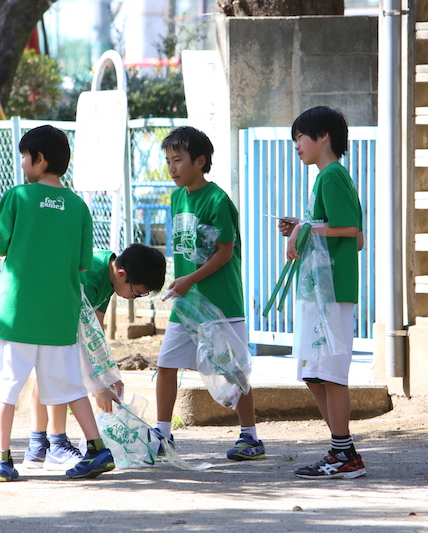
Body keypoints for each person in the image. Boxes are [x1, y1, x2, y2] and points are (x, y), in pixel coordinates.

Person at [0, 125, 114, 481]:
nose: (22, 163)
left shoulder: (17, 197)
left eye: (24, 156)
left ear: (39, 159)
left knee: (6, 389)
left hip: (17, 314)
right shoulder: (79, 207)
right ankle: (97, 449)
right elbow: (83, 264)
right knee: (71, 386)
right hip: (60, 314)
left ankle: (3, 460)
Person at [153, 126, 266, 461]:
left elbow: (225, 252)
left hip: (221, 302)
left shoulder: (217, 200)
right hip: (187, 303)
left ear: (200, 161)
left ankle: (250, 437)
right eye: (168, 161)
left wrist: (190, 279)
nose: (172, 168)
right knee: (166, 364)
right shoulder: (177, 198)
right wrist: (183, 283)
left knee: (234, 371)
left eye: (178, 160)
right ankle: (162, 435)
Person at [277, 106, 366, 480]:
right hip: (320, 291)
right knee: (314, 374)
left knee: (329, 373)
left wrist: (305, 228)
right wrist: (303, 225)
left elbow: (352, 232)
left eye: (300, 137)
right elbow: (344, 230)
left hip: (331, 292)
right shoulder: (328, 177)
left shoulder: (331, 176)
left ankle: (342, 453)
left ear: (323, 136)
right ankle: (343, 450)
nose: (297, 145)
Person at [22, 243, 167, 470]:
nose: (134, 298)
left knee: (48, 375)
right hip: (48, 318)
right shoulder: (91, 276)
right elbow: (80, 337)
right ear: (122, 274)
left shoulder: (110, 277)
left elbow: (94, 332)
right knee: (60, 374)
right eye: (136, 293)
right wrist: (98, 386)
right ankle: (56, 445)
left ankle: (37, 447)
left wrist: (109, 376)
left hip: (54, 320)